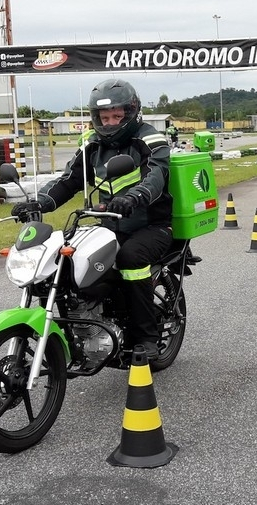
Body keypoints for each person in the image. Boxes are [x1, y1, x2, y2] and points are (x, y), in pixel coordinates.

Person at [11, 78, 173, 358]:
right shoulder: (92, 143)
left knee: (130, 259)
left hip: (150, 225)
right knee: (68, 260)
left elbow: (155, 177)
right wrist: (40, 201)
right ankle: (84, 324)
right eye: (104, 117)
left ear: (131, 112)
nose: (110, 123)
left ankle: (146, 336)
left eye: (117, 116)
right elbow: (70, 180)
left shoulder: (149, 139)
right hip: (108, 225)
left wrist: (134, 198)